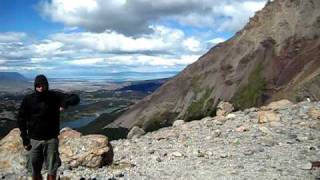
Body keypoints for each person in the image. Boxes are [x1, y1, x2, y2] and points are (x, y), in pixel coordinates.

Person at [17, 74, 80, 180]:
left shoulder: (54, 96)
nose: (41, 88)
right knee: (35, 170)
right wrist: (25, 138)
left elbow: (75, 98)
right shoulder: (28, 99)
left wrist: (65, 103)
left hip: (51, 139)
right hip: (34, 140)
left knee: (52, 169)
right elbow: (21, 119)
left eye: (43, 85)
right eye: (38, 85)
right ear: (35, 86)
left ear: (47, 85)